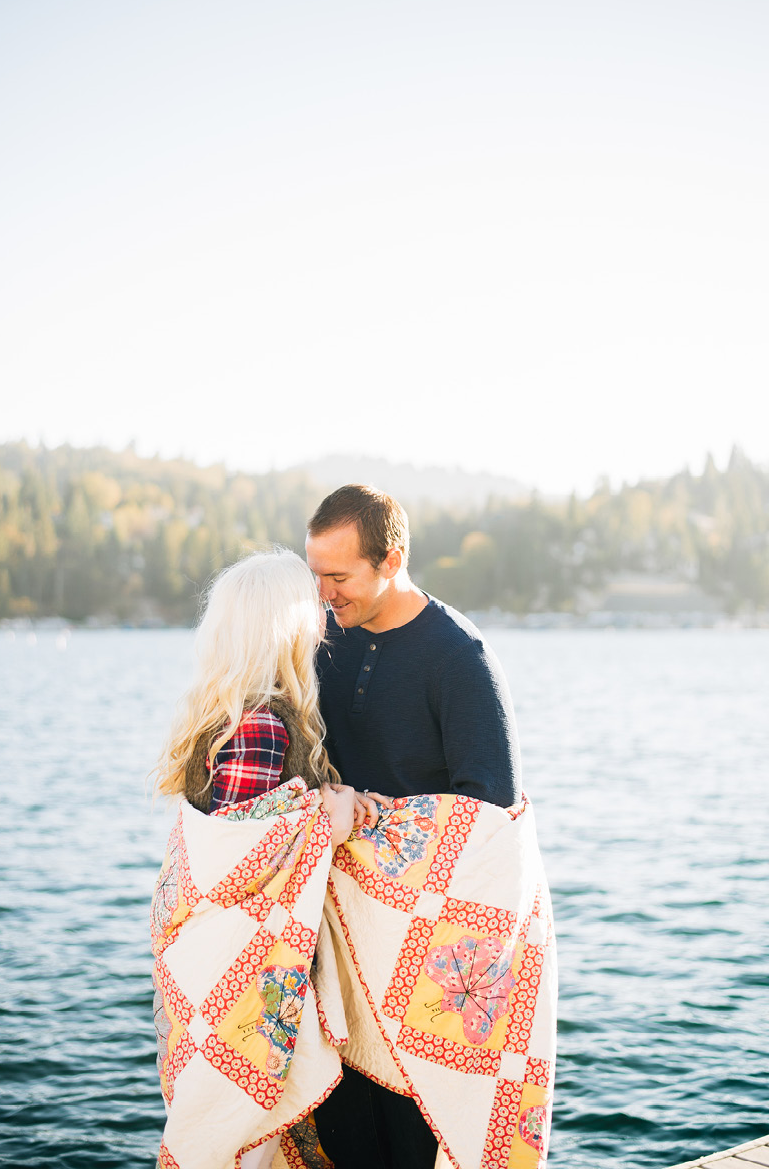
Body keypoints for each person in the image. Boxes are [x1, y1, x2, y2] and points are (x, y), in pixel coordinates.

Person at [306, 484, 522, 1169]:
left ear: (391, 558)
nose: (323, 591)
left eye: (338, 576)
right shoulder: (319, 639)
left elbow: (490, 817)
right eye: (315, 573)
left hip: (420, 962)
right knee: (339, 1132)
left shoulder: (458, 656)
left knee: (413, 1138)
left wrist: (376, 826)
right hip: (331, 942)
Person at [153, 547, 380, 1169]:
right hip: (239, 973)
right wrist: (326, 820)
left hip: (204, 965)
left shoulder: (220, 716)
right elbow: (242, 856)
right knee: (247, 1130)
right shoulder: (263, 728)